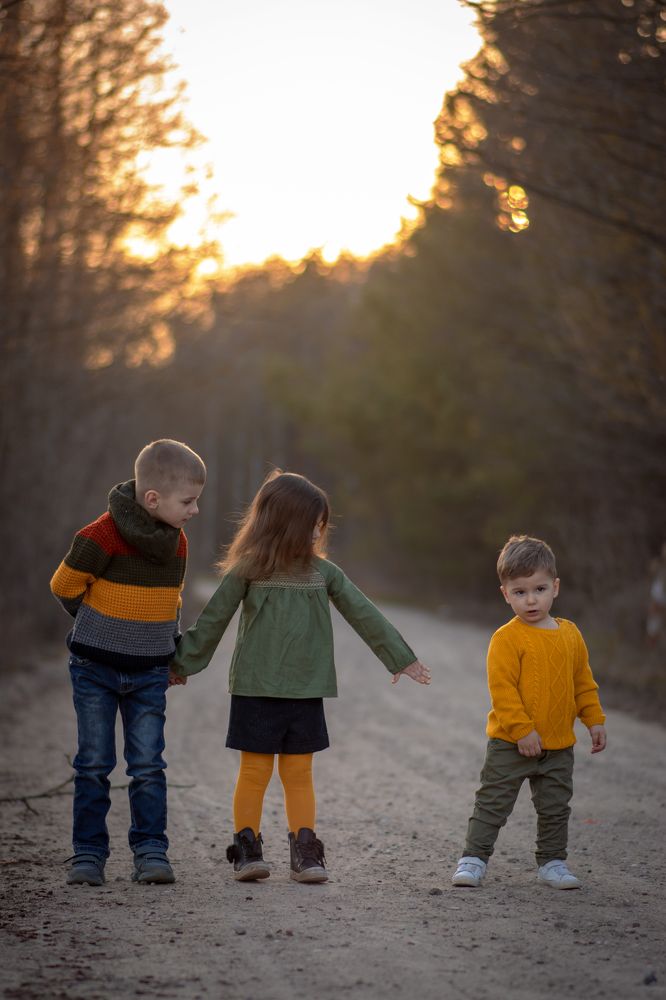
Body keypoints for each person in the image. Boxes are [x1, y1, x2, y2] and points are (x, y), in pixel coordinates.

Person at [168, 469, 431, 884]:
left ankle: (305, 850)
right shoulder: (249, 569)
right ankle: (247, 848)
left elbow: (364, 613)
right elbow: (214, 618)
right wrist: (182, 663)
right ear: (284, 523)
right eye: (311, 524)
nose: (317, 532)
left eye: (320, 525)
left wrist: (400, 658)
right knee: (254, 770)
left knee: (299, 772)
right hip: (255, 688)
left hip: (306, 691)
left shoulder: (324, 573)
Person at [50, 439, 206, 887]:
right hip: (93, 668)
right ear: (153, 498)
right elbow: (63, 585)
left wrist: (170, 653)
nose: (194, 511)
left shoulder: (176, 544)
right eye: (188, 502)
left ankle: (151, 851)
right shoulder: (99, 536)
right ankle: (88, 855)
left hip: (150, 672)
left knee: (148, 765)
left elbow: (169, 603)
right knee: (94, 763)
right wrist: (100, 626)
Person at [451, 535, 607, 891]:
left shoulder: (570, 635)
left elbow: (583, 682)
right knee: (493, 803)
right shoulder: (507, 639)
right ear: (505, 594)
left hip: (558, 745)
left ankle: (552, 862)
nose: (531, 599)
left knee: (555, 808)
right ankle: (473, 859)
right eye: (519, 592)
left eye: (538, 589)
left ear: (555, 587)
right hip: (511, 742)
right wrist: (522, 731)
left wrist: (594, 720)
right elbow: (502, 691)